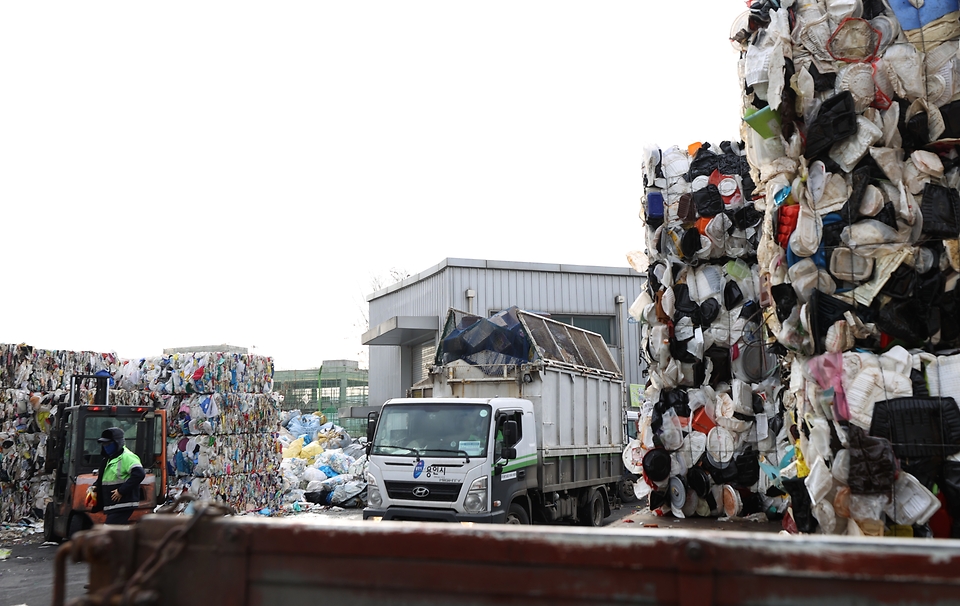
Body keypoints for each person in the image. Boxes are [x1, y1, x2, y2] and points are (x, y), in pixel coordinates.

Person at [90, 427, 145, 525]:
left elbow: (139, 474)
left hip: (123, 504)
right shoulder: (108, 458)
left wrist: (121, 491)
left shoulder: (127, 456)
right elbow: (105, 477)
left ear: (117, 443)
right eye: (104, 444)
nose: (105, 446)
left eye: (108, 444)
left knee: (109, 532)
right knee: (116, 533)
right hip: (113, 505)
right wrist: (95, 486)